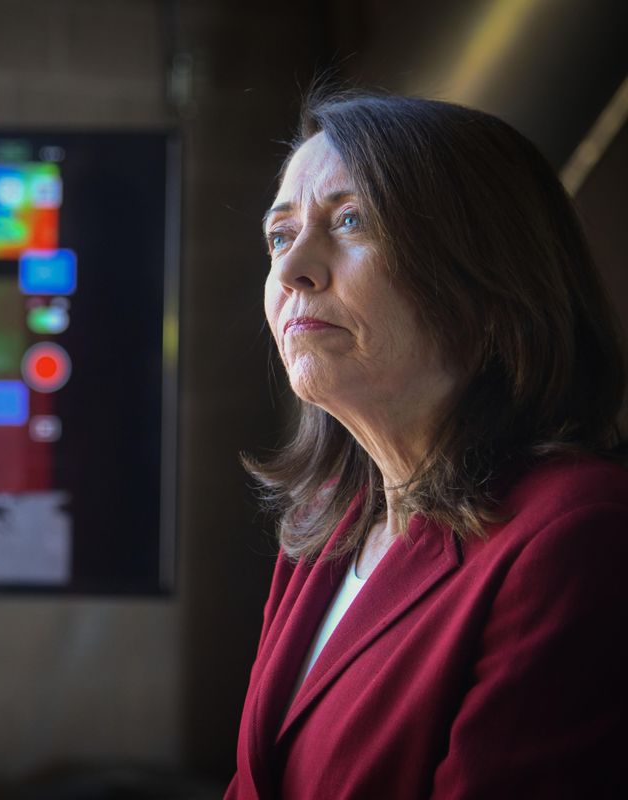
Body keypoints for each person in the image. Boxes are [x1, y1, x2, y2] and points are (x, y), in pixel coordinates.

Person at [226, 91, 628, 799]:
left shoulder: (582, 532)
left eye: (351, 221)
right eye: (281, 235)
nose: (292, 272)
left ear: (487, 279)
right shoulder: (331, 522)